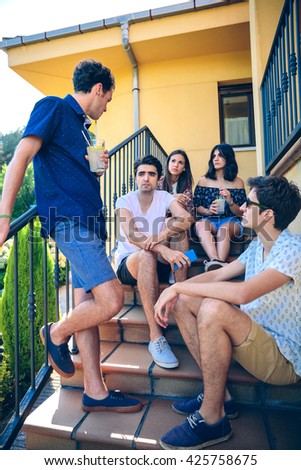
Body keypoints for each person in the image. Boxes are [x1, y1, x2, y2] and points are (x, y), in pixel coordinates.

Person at [0, 59, 142, 414]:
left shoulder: (83, 131)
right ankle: (56, 333)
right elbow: (21, 156)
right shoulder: (54, 107)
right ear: (97, 89)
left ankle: (94, 390)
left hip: (89, 225)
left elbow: (72, 172)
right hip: (69, 221)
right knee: (110, 301)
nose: (105, 107)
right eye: (107, 99)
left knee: (87, 309)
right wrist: (4, 217)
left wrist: (96, 167)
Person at [154, 175, 301, 450]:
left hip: (283, 357)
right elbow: (221, 273)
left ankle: (212, 419)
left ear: (268, 214)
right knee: (186, 300)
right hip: (254, 335)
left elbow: (243, 293)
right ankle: (220, 396)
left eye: (249, 203)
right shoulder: (260, 244)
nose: (242, 207)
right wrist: (177, 289)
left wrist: (174, 289)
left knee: (213, 307)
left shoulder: (293, 249)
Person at [114, 155, 193, 369]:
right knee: (147, 254)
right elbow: (131, 234)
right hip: (129, 262)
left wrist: (160, 236)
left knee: (178, 230)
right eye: (141, 174)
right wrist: (162, 250)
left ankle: (179, 294)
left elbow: (187, 218)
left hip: (157, 259)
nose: (146, 178)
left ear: (158, 179)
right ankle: (156, 337)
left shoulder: (164, 196)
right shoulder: (124, 201)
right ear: (135, 178)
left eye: (151, 174)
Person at [193, 143, 247, 271]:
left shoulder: (238, 182)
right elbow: (196, 206)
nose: (215, 159)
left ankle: (216, 266)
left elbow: (240, 213)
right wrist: (207, 211)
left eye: (220, 156)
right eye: (213, 156)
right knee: (200, 225)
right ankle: (217, 263)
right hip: (209, 220)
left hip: (231, 221)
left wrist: (230, 201)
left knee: (224, 229)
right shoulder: (204, 180)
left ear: (228, 158)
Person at [157, 149, 195, 284]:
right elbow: (155, 208)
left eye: (180, 163)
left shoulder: (186, 184)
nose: (176, 165)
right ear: (168, 163)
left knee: (178, 227)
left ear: (184, 168)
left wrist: (177, 205)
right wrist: (171, 199)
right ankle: (179, 277)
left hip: (179, 226)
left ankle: (173, 271)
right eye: (173, 161)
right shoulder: (159, 182)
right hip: (161, 225)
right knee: (172, 223)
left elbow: (189, 214)